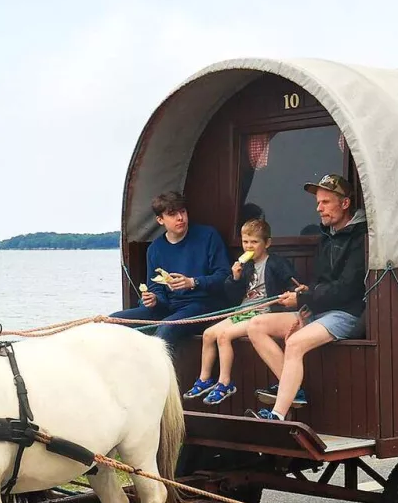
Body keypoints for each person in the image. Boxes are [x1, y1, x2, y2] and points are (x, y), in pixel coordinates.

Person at [245, 173, 367, 420]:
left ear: (345, 203)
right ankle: (293, 390)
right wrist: (304, 299)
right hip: (320, 311)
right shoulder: (326, 237)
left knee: (295, 342)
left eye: (325, 202)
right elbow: (321, 283)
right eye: (318, 203)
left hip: (348, 314)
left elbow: (348, 289)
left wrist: (303, 299)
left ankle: (278, 414)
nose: (318, 208)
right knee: (255, 325)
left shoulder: (361, 237)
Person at [183, 218, 297, 405]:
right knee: (208, 334)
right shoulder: (245, 266)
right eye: (245, 242)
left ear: (267, 243)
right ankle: (204, 379)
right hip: (243, 310)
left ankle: (225, 382)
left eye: (254, 242)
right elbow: (232, 296)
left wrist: (292, 294)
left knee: (224, 336)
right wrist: (235, 278)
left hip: (263, 314)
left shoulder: (276, 263)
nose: (249, 246)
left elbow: (292, 284)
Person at [112, 190, 231, 348]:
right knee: (113, 322)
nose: (180, 218)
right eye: (172, 214)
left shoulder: (208, 236)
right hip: (169, 306)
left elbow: (224, 276)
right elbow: (155, 287)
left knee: (166, 327)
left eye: (182, 211)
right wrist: (153, 299)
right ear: (160, 220)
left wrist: (193, 282)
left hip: (204, 304)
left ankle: (158, 372)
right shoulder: (155, 249)